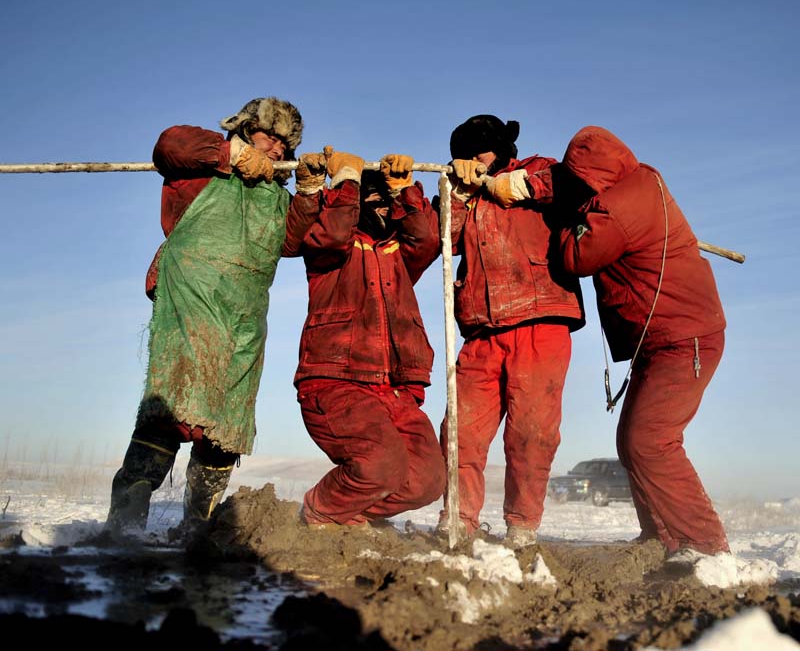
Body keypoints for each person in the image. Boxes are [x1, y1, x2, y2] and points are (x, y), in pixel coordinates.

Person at [105, 97, 303, 538]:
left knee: (226, 423)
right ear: (246, 129)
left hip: (247, 314)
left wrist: (309, 190)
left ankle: (201, 531)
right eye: (267, 135)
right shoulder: (201, 167)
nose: (274, 147)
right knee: (171, 405)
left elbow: (297, 241)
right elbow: (169, 143)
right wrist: (229, 155)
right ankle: (123, 529)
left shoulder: (276, 197)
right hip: (192, 301)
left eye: (284, 143)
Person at [546, 125, 729, 557]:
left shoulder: (618, 206)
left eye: (578, 180)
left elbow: (578, 255)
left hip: (684, 338)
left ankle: (704, 545)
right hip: (667, 335)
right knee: (632, 441)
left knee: (651, 440)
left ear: (593, 175)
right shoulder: (640, 182)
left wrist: (564, 218)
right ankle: (661, 538)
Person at [439, 115, 585, 547]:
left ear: (501, 147)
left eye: (481, 149)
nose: (473, 158)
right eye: (464, 152)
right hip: (481, 331)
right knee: (460, 431)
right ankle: (458, 520)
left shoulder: (541, 168)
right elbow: (438, 240)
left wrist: (514, 186)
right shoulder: (461, 189)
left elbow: (572, 187)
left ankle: (522, 525)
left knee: (532, 432)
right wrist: (459, 196)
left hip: (541, 320)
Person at [285, 147, 445, 527]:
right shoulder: (329, 246)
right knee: (380, 465)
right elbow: (333, 234)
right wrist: (345, 183)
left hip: (394, 388)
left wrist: (403, 189)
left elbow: (426, 240)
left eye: (385, 204)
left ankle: (347, 515)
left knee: (427, 479)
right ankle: (317, 514)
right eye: (369, 201)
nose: (381, 211)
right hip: (337, 381)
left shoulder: (398, 253)